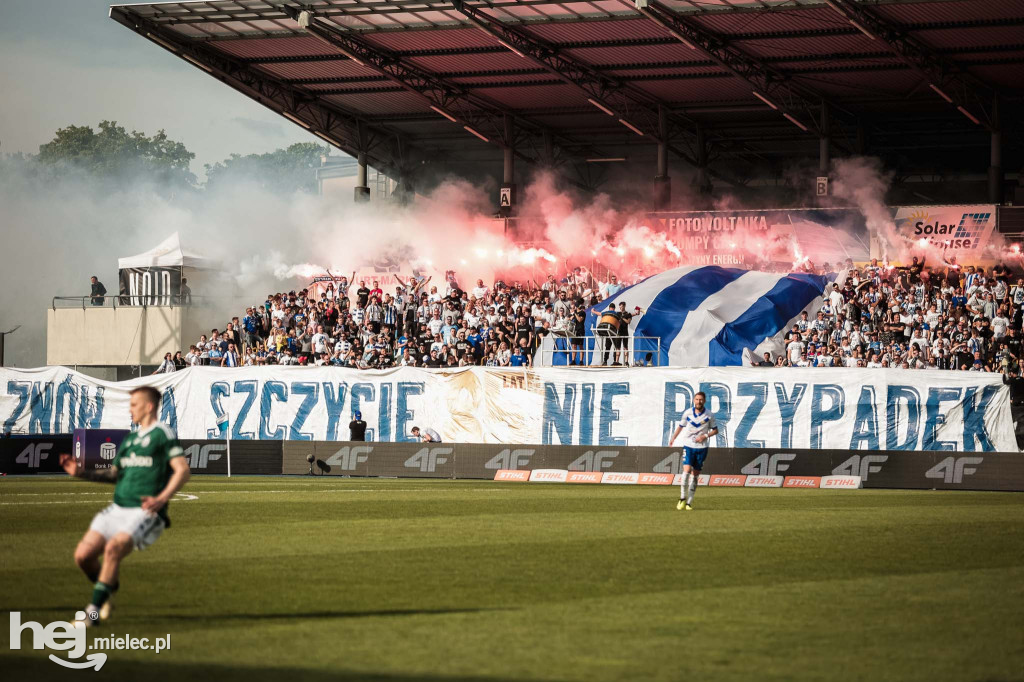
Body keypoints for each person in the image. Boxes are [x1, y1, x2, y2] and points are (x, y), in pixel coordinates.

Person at [58, 386, 190, 626]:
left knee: (113, 549)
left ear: (149, 407)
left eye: (134, 404)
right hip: (117, 509)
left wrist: (161, 499)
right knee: (83, 556)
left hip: (145, 511)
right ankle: (107, 587)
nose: (130, 409)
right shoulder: (130, 439)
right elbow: (114, 473)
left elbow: (182, 470)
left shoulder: (163, 434)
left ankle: (92, 615)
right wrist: (81, 473)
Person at [667, 391, 718, 511]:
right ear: (694, 400)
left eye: (701, 400)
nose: (699, 401)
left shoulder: (709, 415)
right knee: (686, 471)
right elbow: (681, 426)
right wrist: (673, 438)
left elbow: (715, 430)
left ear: (704, 401)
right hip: (688, 445)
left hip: (702, 448)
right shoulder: (688, 413)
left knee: (695, 476)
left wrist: (704, 436)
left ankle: (689, 503)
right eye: (697, 399)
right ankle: (682, 498)